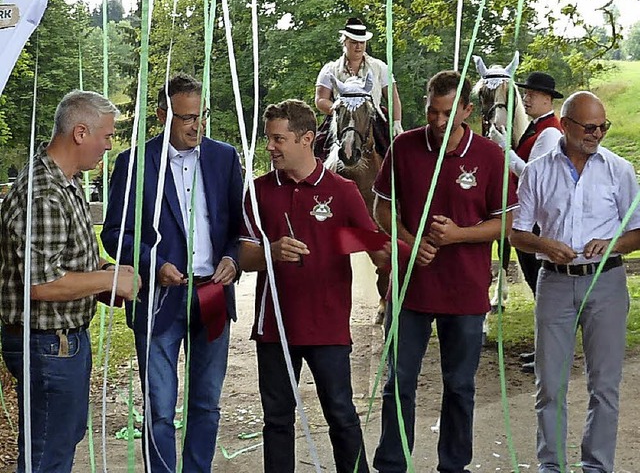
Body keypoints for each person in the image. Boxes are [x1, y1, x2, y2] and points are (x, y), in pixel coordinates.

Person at [372, 70, 518, 473]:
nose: (437, 122)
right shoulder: (403, 147)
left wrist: (459, 235)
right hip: (410, 291)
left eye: (447, 114)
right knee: (398, 384)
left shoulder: (489, 156)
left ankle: (453, 466)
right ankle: (392, 464)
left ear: (468, 110)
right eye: (432, 111)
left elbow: (507, 222)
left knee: (460, 386)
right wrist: (409, 242)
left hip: (466, 292)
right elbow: (382, 208)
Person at [101, 73, 243, 473]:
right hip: (159, 301)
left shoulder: (224, 157)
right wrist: (152, 262)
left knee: (206, 403)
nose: (197, 125)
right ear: (163, 115)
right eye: (187, 118)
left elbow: (239, 226)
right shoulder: (134, 163)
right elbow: (114, 232)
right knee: (160, 408)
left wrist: (231, 258)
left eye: (202, 116)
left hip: (212, 294)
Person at [239, 99, 386, 473]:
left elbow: (374, 248)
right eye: (268, 139)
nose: (270, 147)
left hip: (327, 327)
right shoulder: (258, 191)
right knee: (277, 420)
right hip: (275, 328)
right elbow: (242, 257)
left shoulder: (342, 190)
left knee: (341, 414)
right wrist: (270, 252)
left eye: (278, 139)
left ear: (307, 138)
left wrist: (399, 255)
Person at [0, 90, 139, 473]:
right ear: (80, 132)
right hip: (47, 344)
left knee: (60, 439)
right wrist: (101, 280)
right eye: (106, 136)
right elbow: (39, 284)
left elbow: (69, 257)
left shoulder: (67, 181)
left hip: (61, 343)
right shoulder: (43, 193)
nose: (108, 146)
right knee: (48, 454)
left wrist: (108, 274)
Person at [510, 91, 640, 473]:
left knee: (605, 385)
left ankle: (596, 467)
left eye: (602, 126)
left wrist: (612, 243)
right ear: (565, 125)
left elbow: (638, 231)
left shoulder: (620, 169)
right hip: (554, 283)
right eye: (588, 127)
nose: (596, 133)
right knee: (549, 384)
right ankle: (551, 465)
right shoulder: (537, 170)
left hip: (607, 283)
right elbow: (518, 234)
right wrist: (545, 244)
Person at [488, 71, 563, 370]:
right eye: (526, 94)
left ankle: (549, 351)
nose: (526, 98)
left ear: (547, 98)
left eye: (531, 94)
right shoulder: (537, 129)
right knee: (536, 286)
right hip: (528, 215)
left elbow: (534, 174)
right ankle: (542, 347)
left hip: (536, 220)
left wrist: (504, 149)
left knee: (540, 286)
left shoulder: (550, 133)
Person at [314, 17, 403, 158]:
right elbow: (320, 100)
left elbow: (393, 98)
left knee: (396, 155)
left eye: (362, 42)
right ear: (344, 42)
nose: (358, 47)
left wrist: (396, 122)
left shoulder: (380, 67)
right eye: (354, 42)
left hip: (373, 119)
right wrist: (340, 110)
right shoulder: (330, 69)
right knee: (317, 150)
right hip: (340, 119)